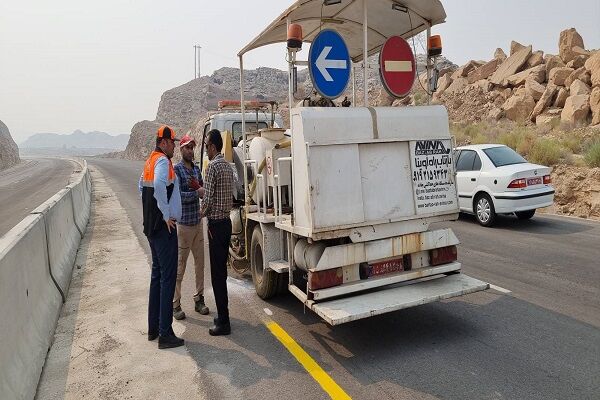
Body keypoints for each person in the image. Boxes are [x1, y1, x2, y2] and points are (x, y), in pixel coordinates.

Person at [139, 125, 184, 349]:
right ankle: (165, 333)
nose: (174, 146)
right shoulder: (163, 162)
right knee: (167, 278)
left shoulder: (150, 161)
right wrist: (165, 215)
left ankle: (154, 328)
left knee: (157, 277)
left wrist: (152, 212)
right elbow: (157, 185)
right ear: (164, 142)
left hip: (151, 228)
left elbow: (141, 187)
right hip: (164, 229)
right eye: (172, 142)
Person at [172, 134, 209, 320]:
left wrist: (199, 193)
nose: (190, 150)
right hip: (184, 226)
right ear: (181, 149)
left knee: (200, 265)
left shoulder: (195, 169)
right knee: (180, 267)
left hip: (197, 223)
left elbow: (203, 192)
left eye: (192, 147)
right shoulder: (177, 170)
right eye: (187, 147)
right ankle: (176, 304)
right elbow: (178, 197)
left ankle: (199, 298)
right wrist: (197, 193)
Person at [202, 129, 234, 336]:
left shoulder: (212, 167)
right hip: (227, 223)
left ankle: (223, 321)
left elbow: (208, 199)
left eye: (206, 147)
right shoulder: (228, 166)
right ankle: (223, 316)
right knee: (222, 272)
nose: (205, 150)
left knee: (217, 276)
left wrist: (199, 215)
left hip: (215, 225)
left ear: (213, 146)